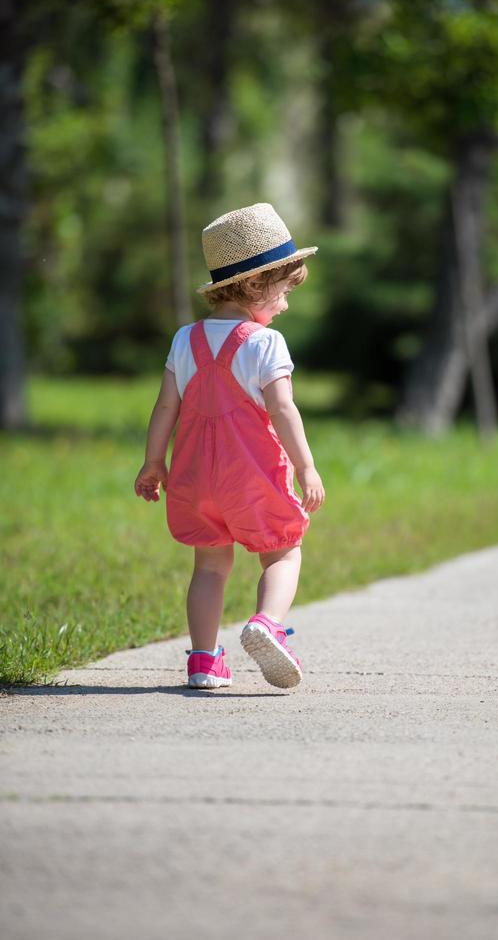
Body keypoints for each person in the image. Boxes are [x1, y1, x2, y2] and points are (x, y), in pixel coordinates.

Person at [134, 202, 325, 692]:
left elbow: (164, 409)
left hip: (195, 479)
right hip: (252, 477)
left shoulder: (185, 339)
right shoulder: (265, 344)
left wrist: (154, 462)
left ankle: (203, 661)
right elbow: (283, 411)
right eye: (283, 292)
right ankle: (268, 624)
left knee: (210, 567)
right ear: (256, 285)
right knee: (283, 553)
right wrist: (306, 468)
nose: (284, 304)